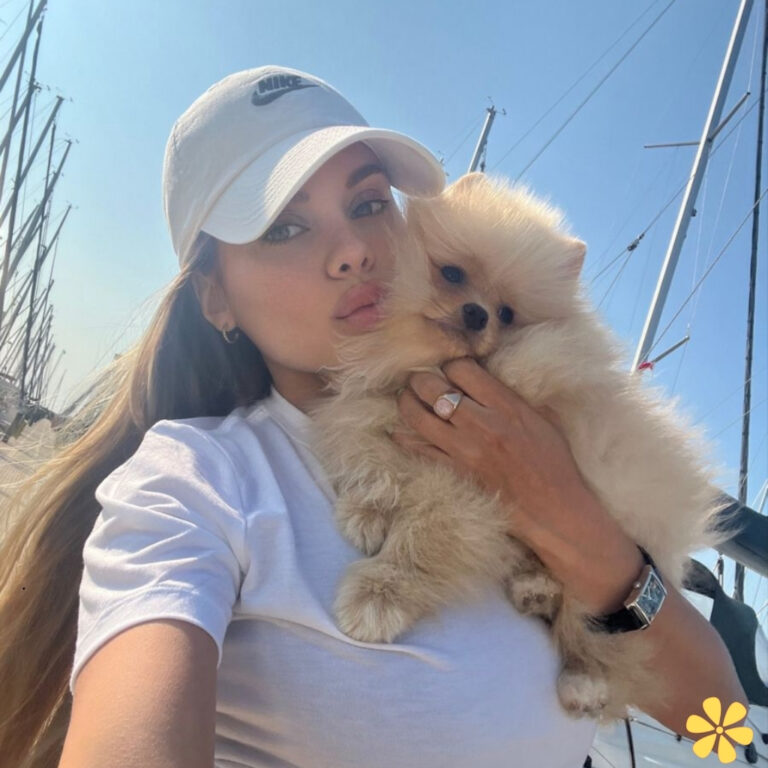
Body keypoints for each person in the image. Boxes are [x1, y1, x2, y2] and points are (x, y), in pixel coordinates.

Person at [0, 66, 746, 768]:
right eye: (283, 229)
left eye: (366, 205)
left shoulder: (544, 438)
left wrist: (574, 522)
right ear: (217, 299)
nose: (353, 251)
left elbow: (722, 729)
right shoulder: (195, 484)